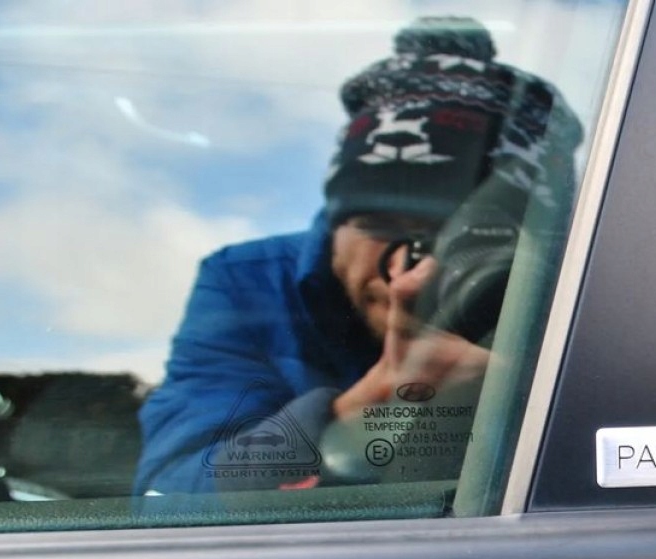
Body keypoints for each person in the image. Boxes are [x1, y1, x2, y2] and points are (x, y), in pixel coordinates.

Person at [134, 17, 581, 495]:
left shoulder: (575, 286)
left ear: (530, 242)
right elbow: (167, 494)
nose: (409, 270)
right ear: (335, 223)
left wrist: (535, 385)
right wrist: (372, 400)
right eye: (378, 225)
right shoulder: (249, 284)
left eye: (457, 237)